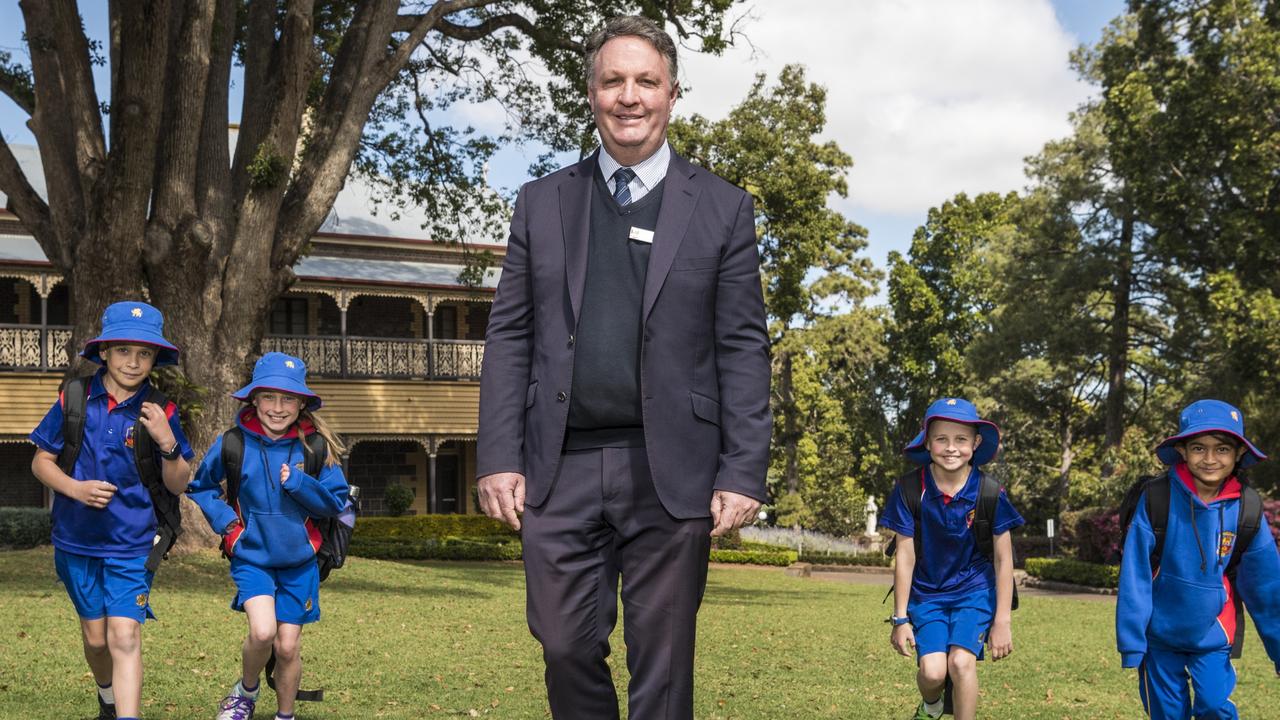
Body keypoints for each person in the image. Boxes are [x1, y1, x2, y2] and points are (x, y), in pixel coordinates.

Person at [475, 14, 771, 720]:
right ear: (591, 93)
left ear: (672, 94)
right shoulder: (541, 202)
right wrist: (497, 455)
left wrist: (741, 468)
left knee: (662, 663)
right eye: (614, 81)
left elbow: (741, 344)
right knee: (563, 645)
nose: (629, 96)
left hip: (672, 469)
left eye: (647, 81)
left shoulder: (724, 209)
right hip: (559, 467)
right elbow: (510, 334)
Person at [29, 301, 195, 720]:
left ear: (155, 358)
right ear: (104, 352)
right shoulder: (73, 398)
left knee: (124, 637)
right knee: (97, 641)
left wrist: (166, 442)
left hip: (133, 545)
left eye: (144, 353)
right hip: (75, 540)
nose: (133, 362)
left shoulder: (162, 410)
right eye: (123, 351)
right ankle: (107, 697)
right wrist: (76, 489)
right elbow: (40, 462)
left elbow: (179, 483)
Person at [187, 352, 349, 720]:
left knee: (288, 646)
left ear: (301, 403)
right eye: (269, 397)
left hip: (300, 562)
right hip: (252, 557)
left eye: (288, 398)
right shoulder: (233, 442)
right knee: (263, 633)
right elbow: (201, 487)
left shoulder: (316, 446)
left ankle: (285, 714)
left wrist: (300, 483)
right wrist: (230, 528)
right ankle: (245, 692)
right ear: (254, 399)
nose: (278, 408)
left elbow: (335, 502)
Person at [1116, 399, 1280, 719]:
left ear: (1239, 454)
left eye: (1221, 449)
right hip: (1159, 636)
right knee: (1167, 713)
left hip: (1215, 632)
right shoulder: (1156, 498)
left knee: (1215, 706)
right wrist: (1132, 640)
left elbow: (1267, 587)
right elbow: (1134, 573)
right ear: (1181, 451)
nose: (1209, 459)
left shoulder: (1246, 508)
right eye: (1198, 448)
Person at [879, 398, 1022, 720]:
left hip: (974, 591)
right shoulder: (909, 488)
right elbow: (905, 555)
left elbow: (1003, 560)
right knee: (932, 673)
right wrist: (900, 618)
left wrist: (1002, 621)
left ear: (976, 443)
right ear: (928, 442)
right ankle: (931, 706)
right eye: (941, 439)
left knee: (960, 662)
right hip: (927, 594)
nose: (951, 448)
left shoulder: (989, 491)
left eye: (961, 439)